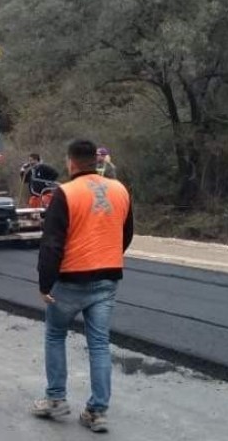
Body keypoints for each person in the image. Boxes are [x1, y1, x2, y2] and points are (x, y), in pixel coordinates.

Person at [31, 139, 133, 433]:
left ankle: (56, 399)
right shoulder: (120, 189)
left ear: (71, 162)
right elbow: (126, 233)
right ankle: (97, 411)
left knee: (55, 335)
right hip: (107, 280)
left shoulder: (65, 192)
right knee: (99, 344)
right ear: (95, 161)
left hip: (70, 282)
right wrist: (108, 257)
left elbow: (51, 244)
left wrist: (45, 283)